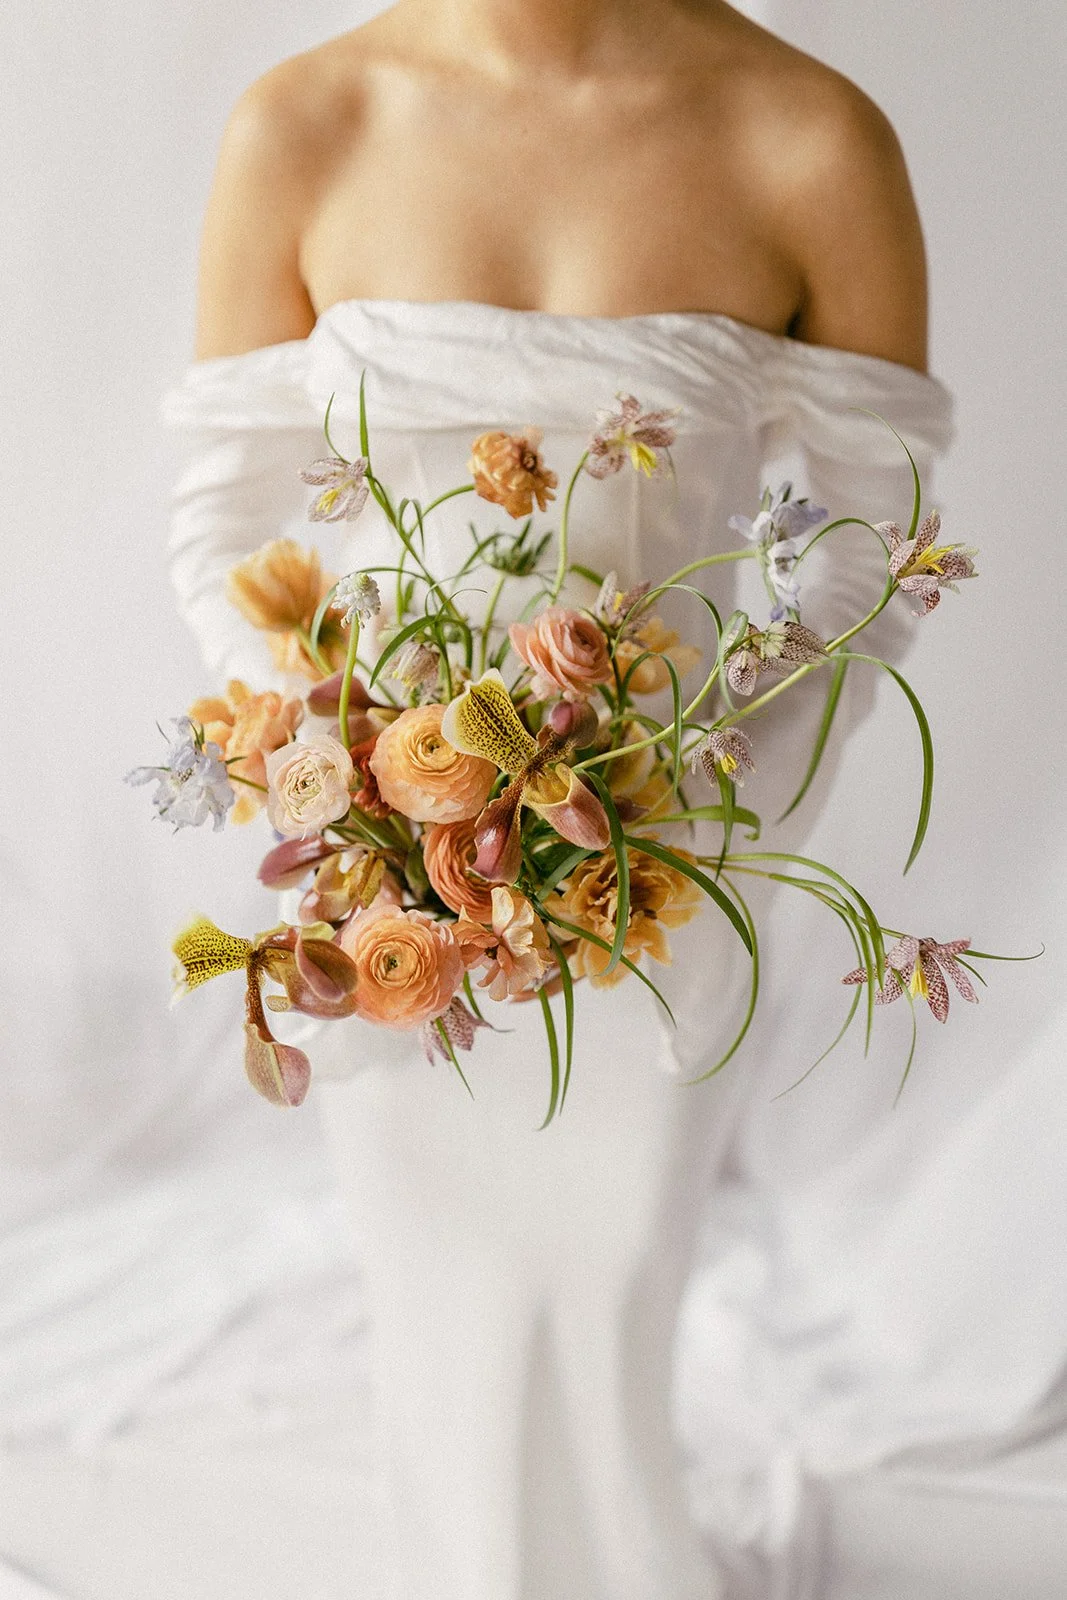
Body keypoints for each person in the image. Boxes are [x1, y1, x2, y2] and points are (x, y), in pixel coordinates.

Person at [167, 3, 953, 1595]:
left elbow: (872, 542)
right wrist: (340, 770)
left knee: (606, 1273)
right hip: (386, 883)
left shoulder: (809, 133)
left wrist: (716, 803)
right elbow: (229, 509)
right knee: (437, 1284)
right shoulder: (302, 122)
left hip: (658, 868)